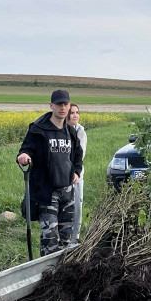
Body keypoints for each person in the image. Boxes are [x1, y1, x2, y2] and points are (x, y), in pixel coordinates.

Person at [17, 89, 83, 255]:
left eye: (65, 104)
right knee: (50, 238)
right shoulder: (39, 129)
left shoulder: (71, 132)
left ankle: (62, 272)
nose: (62, 107)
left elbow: (77, 156)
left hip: (67, 191)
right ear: (51, 105)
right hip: (47, 192)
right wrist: (24, 156)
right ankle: (46, 273)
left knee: (66, 238)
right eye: (59, 104)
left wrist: (76, 171)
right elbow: (26, 149)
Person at [68, 103, 86, 241]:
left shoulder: (81, 132)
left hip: (76, 174)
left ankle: (75, 237)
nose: (75, 115)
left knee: (77, 206)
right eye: (72, 112)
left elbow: (80, 154)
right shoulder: (61, 130)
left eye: (77, 112)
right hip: (61, 175)